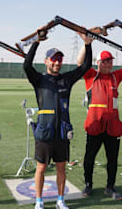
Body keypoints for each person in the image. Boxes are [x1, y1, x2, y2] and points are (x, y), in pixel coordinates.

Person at [23, 29, 93, 209]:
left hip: (62, 132)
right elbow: (26, 66)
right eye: (53, 59)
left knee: (61, 168)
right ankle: (39, 201)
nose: (57, 62)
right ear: (46, 61)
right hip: (44, 133)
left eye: (59, 59)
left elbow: (85, 67)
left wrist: (87, 43)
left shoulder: (66, 79)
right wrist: (36, 42)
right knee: (41, 168)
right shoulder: (39, 80)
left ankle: (60, 200)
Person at [77, 30, 122, 200]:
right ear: (98, 62)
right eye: (105, 61)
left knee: (112, 160)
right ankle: (88, 185)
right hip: (94, 126)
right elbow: (80, 62)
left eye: (110, 61)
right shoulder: (91, 75)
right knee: (89, 158)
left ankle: (110, 187)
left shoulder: (115, 77)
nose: (108, 64)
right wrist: (86, 43)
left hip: (112, 128)